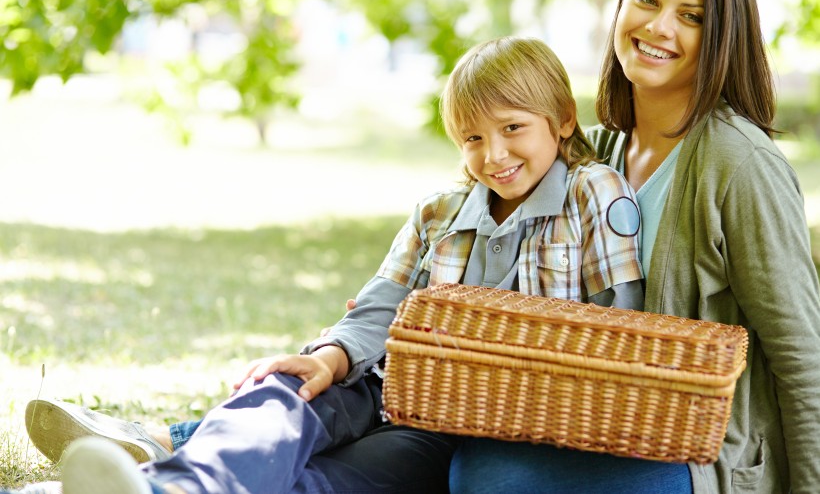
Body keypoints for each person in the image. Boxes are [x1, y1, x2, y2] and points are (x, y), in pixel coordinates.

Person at [10, 36, 645, 494]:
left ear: (562, 120)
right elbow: (382, 300)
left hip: (459, 426)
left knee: (355, 478)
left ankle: (157, 474)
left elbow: (620, 323)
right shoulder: (441, 209)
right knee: (283, 396)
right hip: (385, 383)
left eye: (512, 128)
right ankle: (175, 487)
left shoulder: (594, 194)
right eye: (473, 138)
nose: (493, 154)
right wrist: (330, 357)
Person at [447, 0, 820, 494]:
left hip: (701, 455)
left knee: (488, 475)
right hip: (587, 422)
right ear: (621, 7)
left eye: (692, 17)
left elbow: (801, 353)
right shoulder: (592, 153)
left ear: (721, 38)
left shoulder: (740, 166)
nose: (659, 26)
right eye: (647, 0)